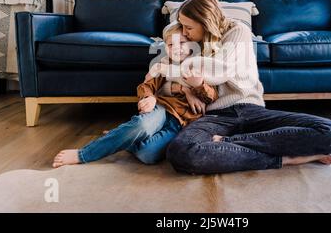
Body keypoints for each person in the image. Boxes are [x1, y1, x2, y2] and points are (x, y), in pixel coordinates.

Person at [159, 0, 331, 174]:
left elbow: (222, 69)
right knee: (181, 152)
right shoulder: (190, 43)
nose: (184, 33)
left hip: (251, 110)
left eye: (188, 27)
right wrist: (184, 88)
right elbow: (164, 81)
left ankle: (230, 142)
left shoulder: (238, 30)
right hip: (214, 116)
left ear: (205, 22)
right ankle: (285, 159)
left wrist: (187, 66)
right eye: (182, 27)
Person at [52, 21, 218, 168]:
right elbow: (145, 85)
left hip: (183, 123)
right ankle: (84, 154)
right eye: (170, 45)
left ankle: (122, 136)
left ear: (192, 44)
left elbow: (212, 97)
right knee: (142, 126)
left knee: (148, 155)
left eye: (181, 42)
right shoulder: (162, 66)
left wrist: (198, 86)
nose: (176, 48)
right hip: (162, 109)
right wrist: (150, 97)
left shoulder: (200, 65)